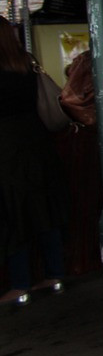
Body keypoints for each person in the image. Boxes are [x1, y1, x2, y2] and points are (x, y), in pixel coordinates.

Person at [0, 17, 66, 306]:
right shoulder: (25, 62)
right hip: (36, 141)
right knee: (44, 210)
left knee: (12, 214)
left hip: (5, 147)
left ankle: (19, 283)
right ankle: (54, 274)